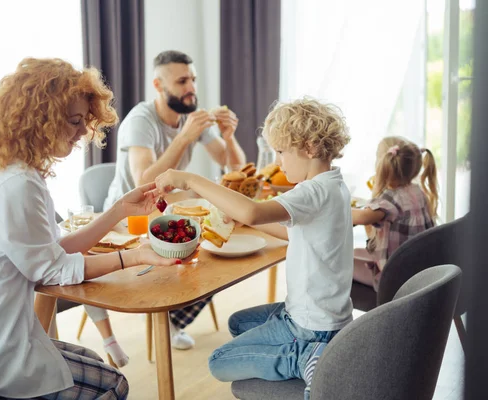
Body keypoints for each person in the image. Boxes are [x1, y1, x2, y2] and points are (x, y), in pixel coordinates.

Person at [0, 58, 182, 400]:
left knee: (91, 360)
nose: (82, 132)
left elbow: (50, 250)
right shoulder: (16, 183)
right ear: (40, 121)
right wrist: (135, 256)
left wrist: (119, 210)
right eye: (74, 121)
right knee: (114, 384)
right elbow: (51, 270)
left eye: (84, 121)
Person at [155, 98, 353, 399]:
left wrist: (190, 179)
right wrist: (236, 217)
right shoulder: (332, 185)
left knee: (218, 363)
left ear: (309, 148)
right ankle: (307, 347)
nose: (278, 161)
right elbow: (287, 230)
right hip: (320, 316)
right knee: (238, 322)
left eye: (282, 151)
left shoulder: (314, 191)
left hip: (310, 326)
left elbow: (253, 212)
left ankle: (302, 358)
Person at [100, 50, 246, 350]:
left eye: (192, 79)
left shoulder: (190, 115)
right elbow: (145, 181)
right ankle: (164, 311)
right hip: (128, 219)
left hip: (166, 211)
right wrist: (184, 137)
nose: (191, 87)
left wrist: (229, 137)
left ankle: (173, 317)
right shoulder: (141, 120)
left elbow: (233, 167)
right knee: (200, 253)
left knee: (216, 252)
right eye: (182, 81)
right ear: (158, 85)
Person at [352, 136, 438, 291]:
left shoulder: (390, 200)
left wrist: (337, 205)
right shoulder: (418, 191)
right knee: (353, 253)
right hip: (420, 269)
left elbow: (360, 217)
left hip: (396, 279)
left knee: (341, 262)